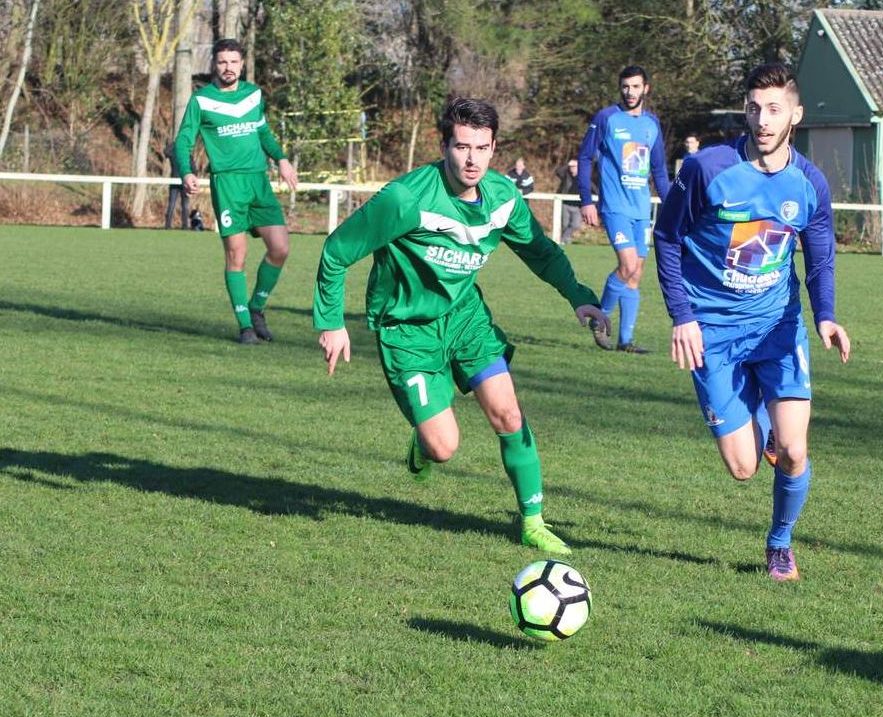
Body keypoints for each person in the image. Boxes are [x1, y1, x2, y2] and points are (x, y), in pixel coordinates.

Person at [313, 98, 609, 556]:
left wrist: (579, 296)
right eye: (462, 147)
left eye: (482, 148)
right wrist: (332, 323)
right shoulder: (406, 199)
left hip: (465, 319)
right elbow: (336, 251)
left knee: (509, 414)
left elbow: (541, 252)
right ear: (444, 146)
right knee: (444, 447)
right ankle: (424, 441)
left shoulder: (503, 199)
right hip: (407, 329)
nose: (472, 160)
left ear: (495, 149)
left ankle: (532, 520)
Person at [653, 63, 851, 582]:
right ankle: (758, 422)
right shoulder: (706, 169)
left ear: (796, 115)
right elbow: (668, 238)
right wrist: (683, 317)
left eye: (774, 109)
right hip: (712, 334)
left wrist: (826, 316)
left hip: (777, 328)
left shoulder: (809, 183)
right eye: (754, 108)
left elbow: (821, 257)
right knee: (742, 469)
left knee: (794, 449)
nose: (762, 120)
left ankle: (780, 544)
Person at [174, 38, 299, 344]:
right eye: (222, 62)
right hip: (227, 184)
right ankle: (245, 326)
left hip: (258, 181)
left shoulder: (253, 94)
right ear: (214, 65)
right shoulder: (202, 100)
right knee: (237, 255)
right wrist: (187, 171)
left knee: (280, 248)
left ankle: (256, 308)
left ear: (242, 64)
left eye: (233, 62)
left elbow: (263, 132)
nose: (228, 67)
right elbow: (183, 140)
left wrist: (281, 159)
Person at [578, 64, 671, 353]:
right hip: (615, 206)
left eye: (635, 86)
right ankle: (600, 318)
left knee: (636, 273)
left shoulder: (651, 124)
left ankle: (626, 341)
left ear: (646, 88)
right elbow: (584, 159)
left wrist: (671, 207)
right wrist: (586, 200)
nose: (630, 92)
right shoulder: (606, 118)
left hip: (641, 209)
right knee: (627, 265)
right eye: (625, 86)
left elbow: (658, 170)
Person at [555, 158, 589, 245]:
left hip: (577, 206)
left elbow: (592, 188)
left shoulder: (583, 177)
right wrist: (567, 165)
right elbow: (558, 171)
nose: (572, 168)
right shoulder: (566, 175)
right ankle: (566, 241)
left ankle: (563, 239)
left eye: (574, 166)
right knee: (565, 225)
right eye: (571, 167)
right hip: (566, 204)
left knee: (575, 224)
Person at [164, 139, 189, 229]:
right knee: (173, 204)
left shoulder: (186, 154)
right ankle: (168, 225)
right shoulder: (176, 153)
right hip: (176, 181)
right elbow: (166, 152)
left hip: (184, 181)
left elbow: (166, 151)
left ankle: (185, 225)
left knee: (183, 205)